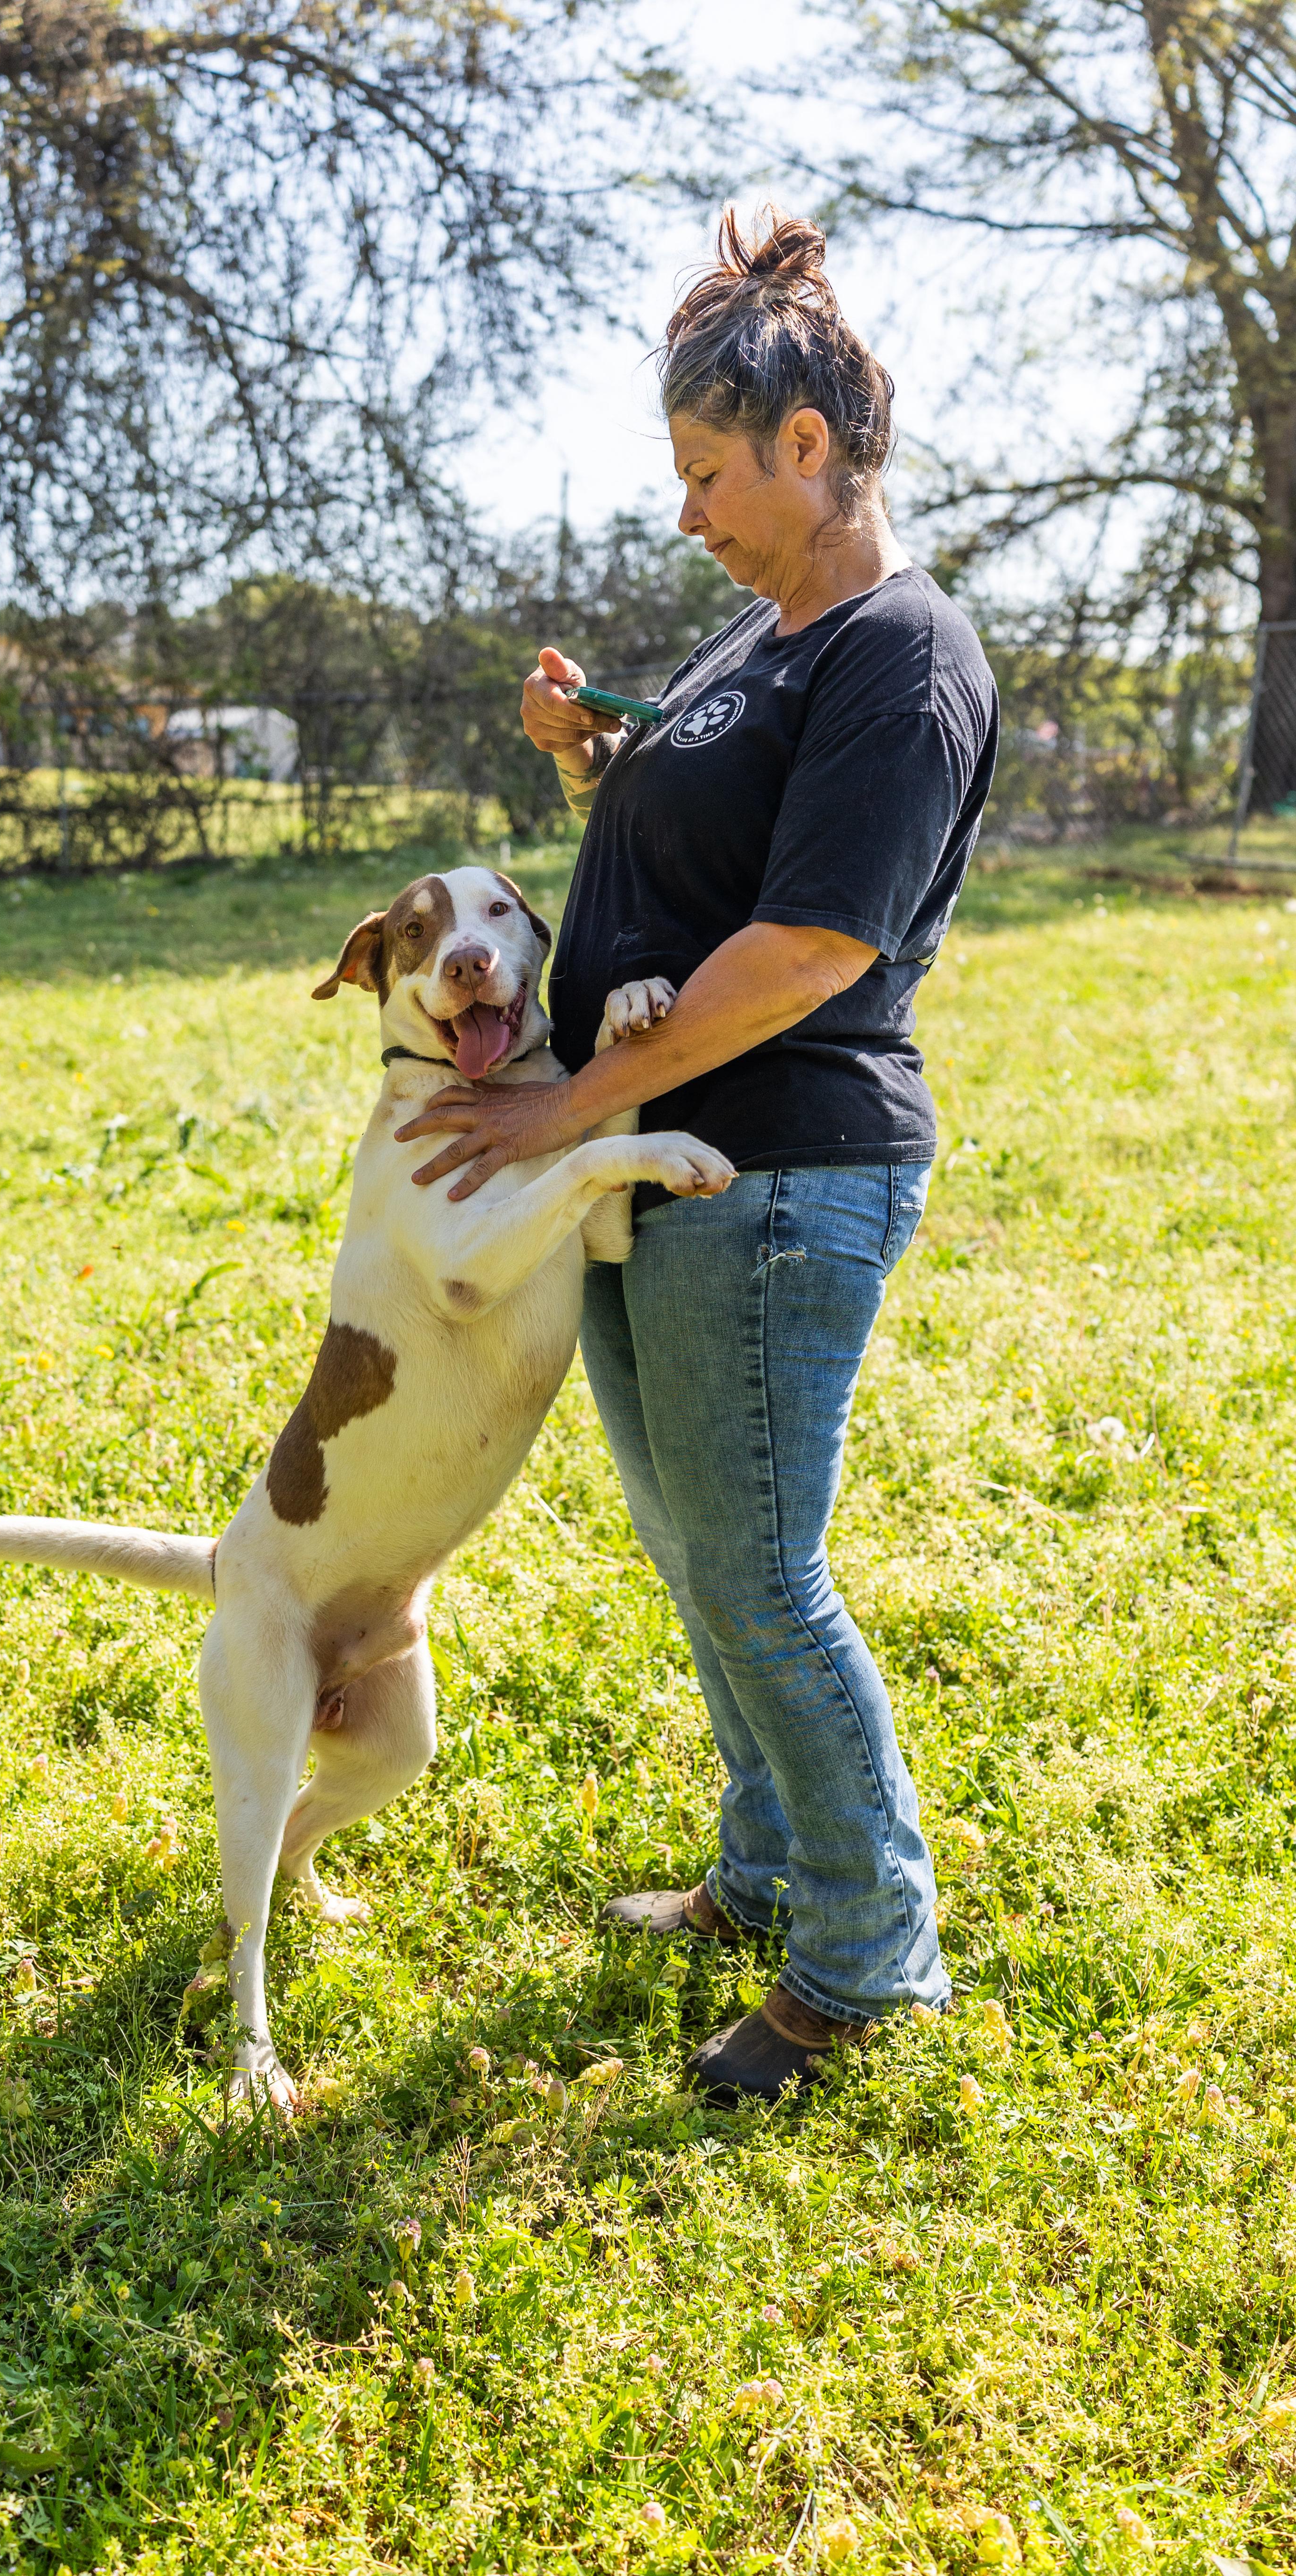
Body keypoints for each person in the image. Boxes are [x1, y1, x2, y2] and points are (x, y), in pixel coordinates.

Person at [397, 207, 999, 2102]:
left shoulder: (902, 656)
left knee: (760, 1575)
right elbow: (701, 849)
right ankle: (766, 1869)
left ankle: (867, 1957)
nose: (688, 515)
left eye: (709, 474)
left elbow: (812, 945)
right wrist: (589, 755)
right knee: (697, 1554)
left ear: (807, 447)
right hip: (663, 1166)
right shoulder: (766, 638)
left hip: (781, 1168)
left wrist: (565, 1107)